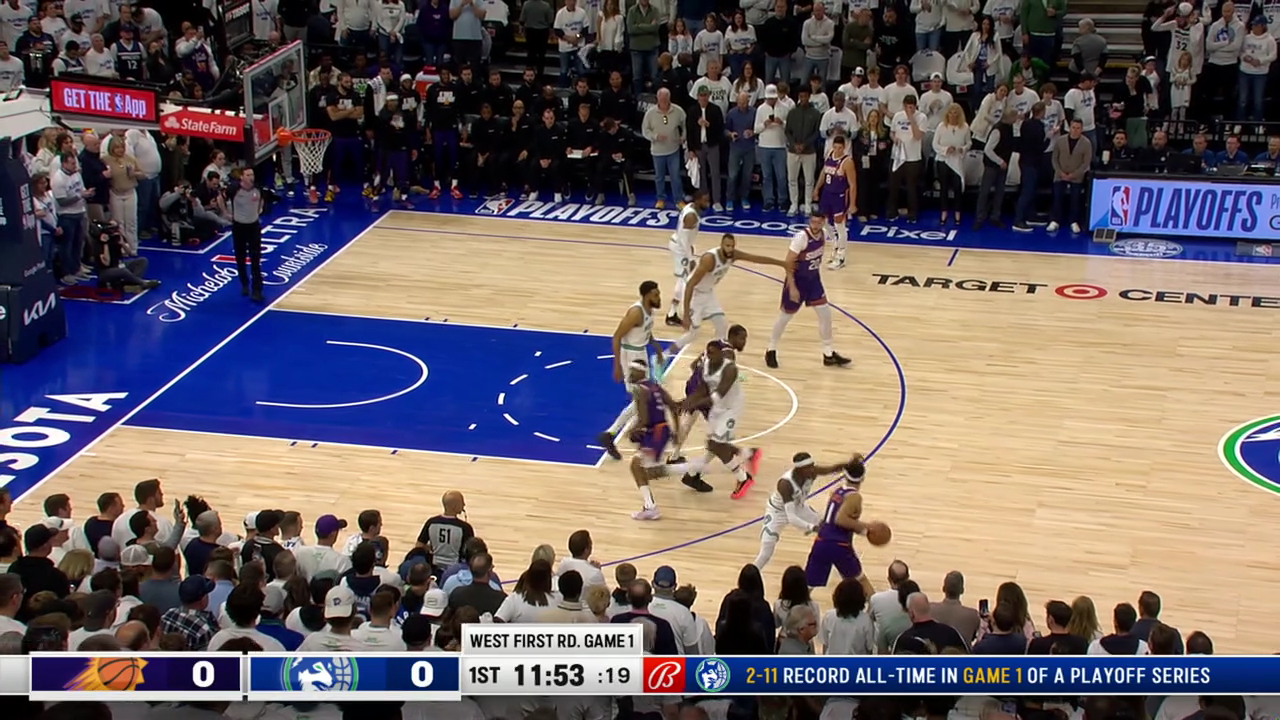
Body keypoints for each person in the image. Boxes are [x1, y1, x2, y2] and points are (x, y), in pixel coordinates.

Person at [765, 210, 853, 369]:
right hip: (797, 282)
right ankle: (771, 349)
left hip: (813, 281)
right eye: (813, 222)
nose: (815, 225)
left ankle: (828, 353)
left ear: (823, 222)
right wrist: (792, 287)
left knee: (825, 315)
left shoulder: (824, 234)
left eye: (818, 222)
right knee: (785, 317)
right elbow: (788, 263)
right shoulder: (801, 238)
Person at [677, 336, 762, 499]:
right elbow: (702, 390)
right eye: (708, 353)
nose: (710, 356)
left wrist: (693, 405)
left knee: (716, 445)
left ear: (721, 354)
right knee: (713, 444)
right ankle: (693, 474)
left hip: (731, 409)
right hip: (717, 408)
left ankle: (743, 478)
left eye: (714, 353)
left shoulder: (730, 369)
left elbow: (718, 395)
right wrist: (686, 402)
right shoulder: (705, 366)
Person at [673, 232, 785, 355]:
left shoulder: (733, 255)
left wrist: (781, 263)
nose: (730, 249)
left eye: (732, 246)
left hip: (708, 293)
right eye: (727, 246)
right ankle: (666, 354)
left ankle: (712, 357)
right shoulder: (709, 259)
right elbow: (690, 285)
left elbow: (756, 259)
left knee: (722, 326)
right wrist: (686, 315)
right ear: (721, 245)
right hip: (694, 293)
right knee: (693, 334)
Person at [598, 281, 667, 461]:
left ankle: (613, 434)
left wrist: (657, 348)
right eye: (655, 295)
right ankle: (617, 433)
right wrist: (618, 365)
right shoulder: (636, 312)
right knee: (642, 399)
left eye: (658, 294)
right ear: (646, 296)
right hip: (630, 357)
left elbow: (646, 331)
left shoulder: (649, 310)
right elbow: (617, 336)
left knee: (642, 399)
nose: (659, 298)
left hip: (641, 353)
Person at [755, 452, 853, 569]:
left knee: (828, 526)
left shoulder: (812, 472)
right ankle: (751, 574)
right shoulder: (785, 484)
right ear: (799, 469)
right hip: (778, 512)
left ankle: (844, 557)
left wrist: (851, 464)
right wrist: (812, 527)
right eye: (808, 468)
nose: (812, 470)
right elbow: (791, 517)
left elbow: (832, 469)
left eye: (812, 466)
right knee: (766, 552)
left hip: (798, 507)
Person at [622, 359, 689, 521]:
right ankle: (650, 506)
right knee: (646, 471)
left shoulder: (640, 390)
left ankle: (651, 507)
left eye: (632, 371)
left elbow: (644, 419)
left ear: (640, 372)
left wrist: (632, 431)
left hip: (655, 433)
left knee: (637, 466)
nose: (629, 374)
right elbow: (673, 406)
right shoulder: (654, 386)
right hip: (661, 431)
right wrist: (676, 431)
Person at [804, 455, 874, 596]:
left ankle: (788, 606)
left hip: (822, 541)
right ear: (862, 478)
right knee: (860, 581)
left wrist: (862, 531)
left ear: (845, 476)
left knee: (807, 586)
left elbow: (833, 520)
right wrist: (868, 526)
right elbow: (840, 520)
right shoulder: (854, 497)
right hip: (839, 544)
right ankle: (878, 608)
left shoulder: (837, 492)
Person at [664, 189, 709, 327]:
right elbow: (684, 239)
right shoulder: (691, 216)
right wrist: (690, 258)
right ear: (698, 200)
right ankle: (689, 313)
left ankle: (672, 313)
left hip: (682, 247)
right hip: (681, 249)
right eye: (705, 200)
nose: (708, 203)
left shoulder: (691, 207)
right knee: (687, 282)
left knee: (682, 280)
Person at [813, 134, 857, 270]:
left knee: (839, 225)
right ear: (833, 146)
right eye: (835, 147)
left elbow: (853, 184)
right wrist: (817, 188)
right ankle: (835, 245)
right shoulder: (830, 155)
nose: (837, 150)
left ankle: (841, 256)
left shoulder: (847, 162)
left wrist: (852, 203)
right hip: (827, 194)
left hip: (840, 196)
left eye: (840, 148)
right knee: (825, 222)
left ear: (844, 147)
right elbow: (824, 173)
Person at [416, 491, 473, 578]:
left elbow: (419, 545)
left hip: (433, 568)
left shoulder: (431, 522)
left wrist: (431, 549)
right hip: (456, 571)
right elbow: (471, 552)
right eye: (462, 502)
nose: (464, 505)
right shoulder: (464, 528)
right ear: (454, 506)